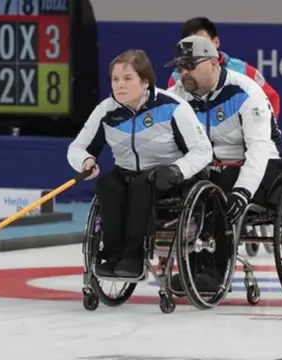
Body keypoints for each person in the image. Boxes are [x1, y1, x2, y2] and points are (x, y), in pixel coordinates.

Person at [165, 35, 282, 291]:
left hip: (266, 164)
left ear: (214, 64)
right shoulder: (177, 96)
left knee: (218, 188)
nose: (183, 73)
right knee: (192, 184)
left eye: (190, 65)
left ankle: (213, 273)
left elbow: (258, 149)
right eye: (180, 67)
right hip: (213, 167)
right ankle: (191, 265)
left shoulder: (245, 91)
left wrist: (242, 192)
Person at [67, 49, 213, 278]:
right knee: (108, 185)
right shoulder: (106, 110)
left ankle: (134, 256)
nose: (119, 85)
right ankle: (112, 254)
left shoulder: (172, 107)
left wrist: (177, 170)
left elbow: (203, 150)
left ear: (145, 81)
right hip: (127, 172)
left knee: (142, 185)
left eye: (127, 78)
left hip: (168, 177)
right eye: (115, 79)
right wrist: (85, 160)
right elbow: (76, 148)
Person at [166, 17, 281, 120]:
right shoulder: (177, 78)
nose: (198, 47)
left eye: (203, 42)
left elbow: (270, 98)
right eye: (191, 43)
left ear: (216, 42)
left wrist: (263, 129)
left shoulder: (243, 70)